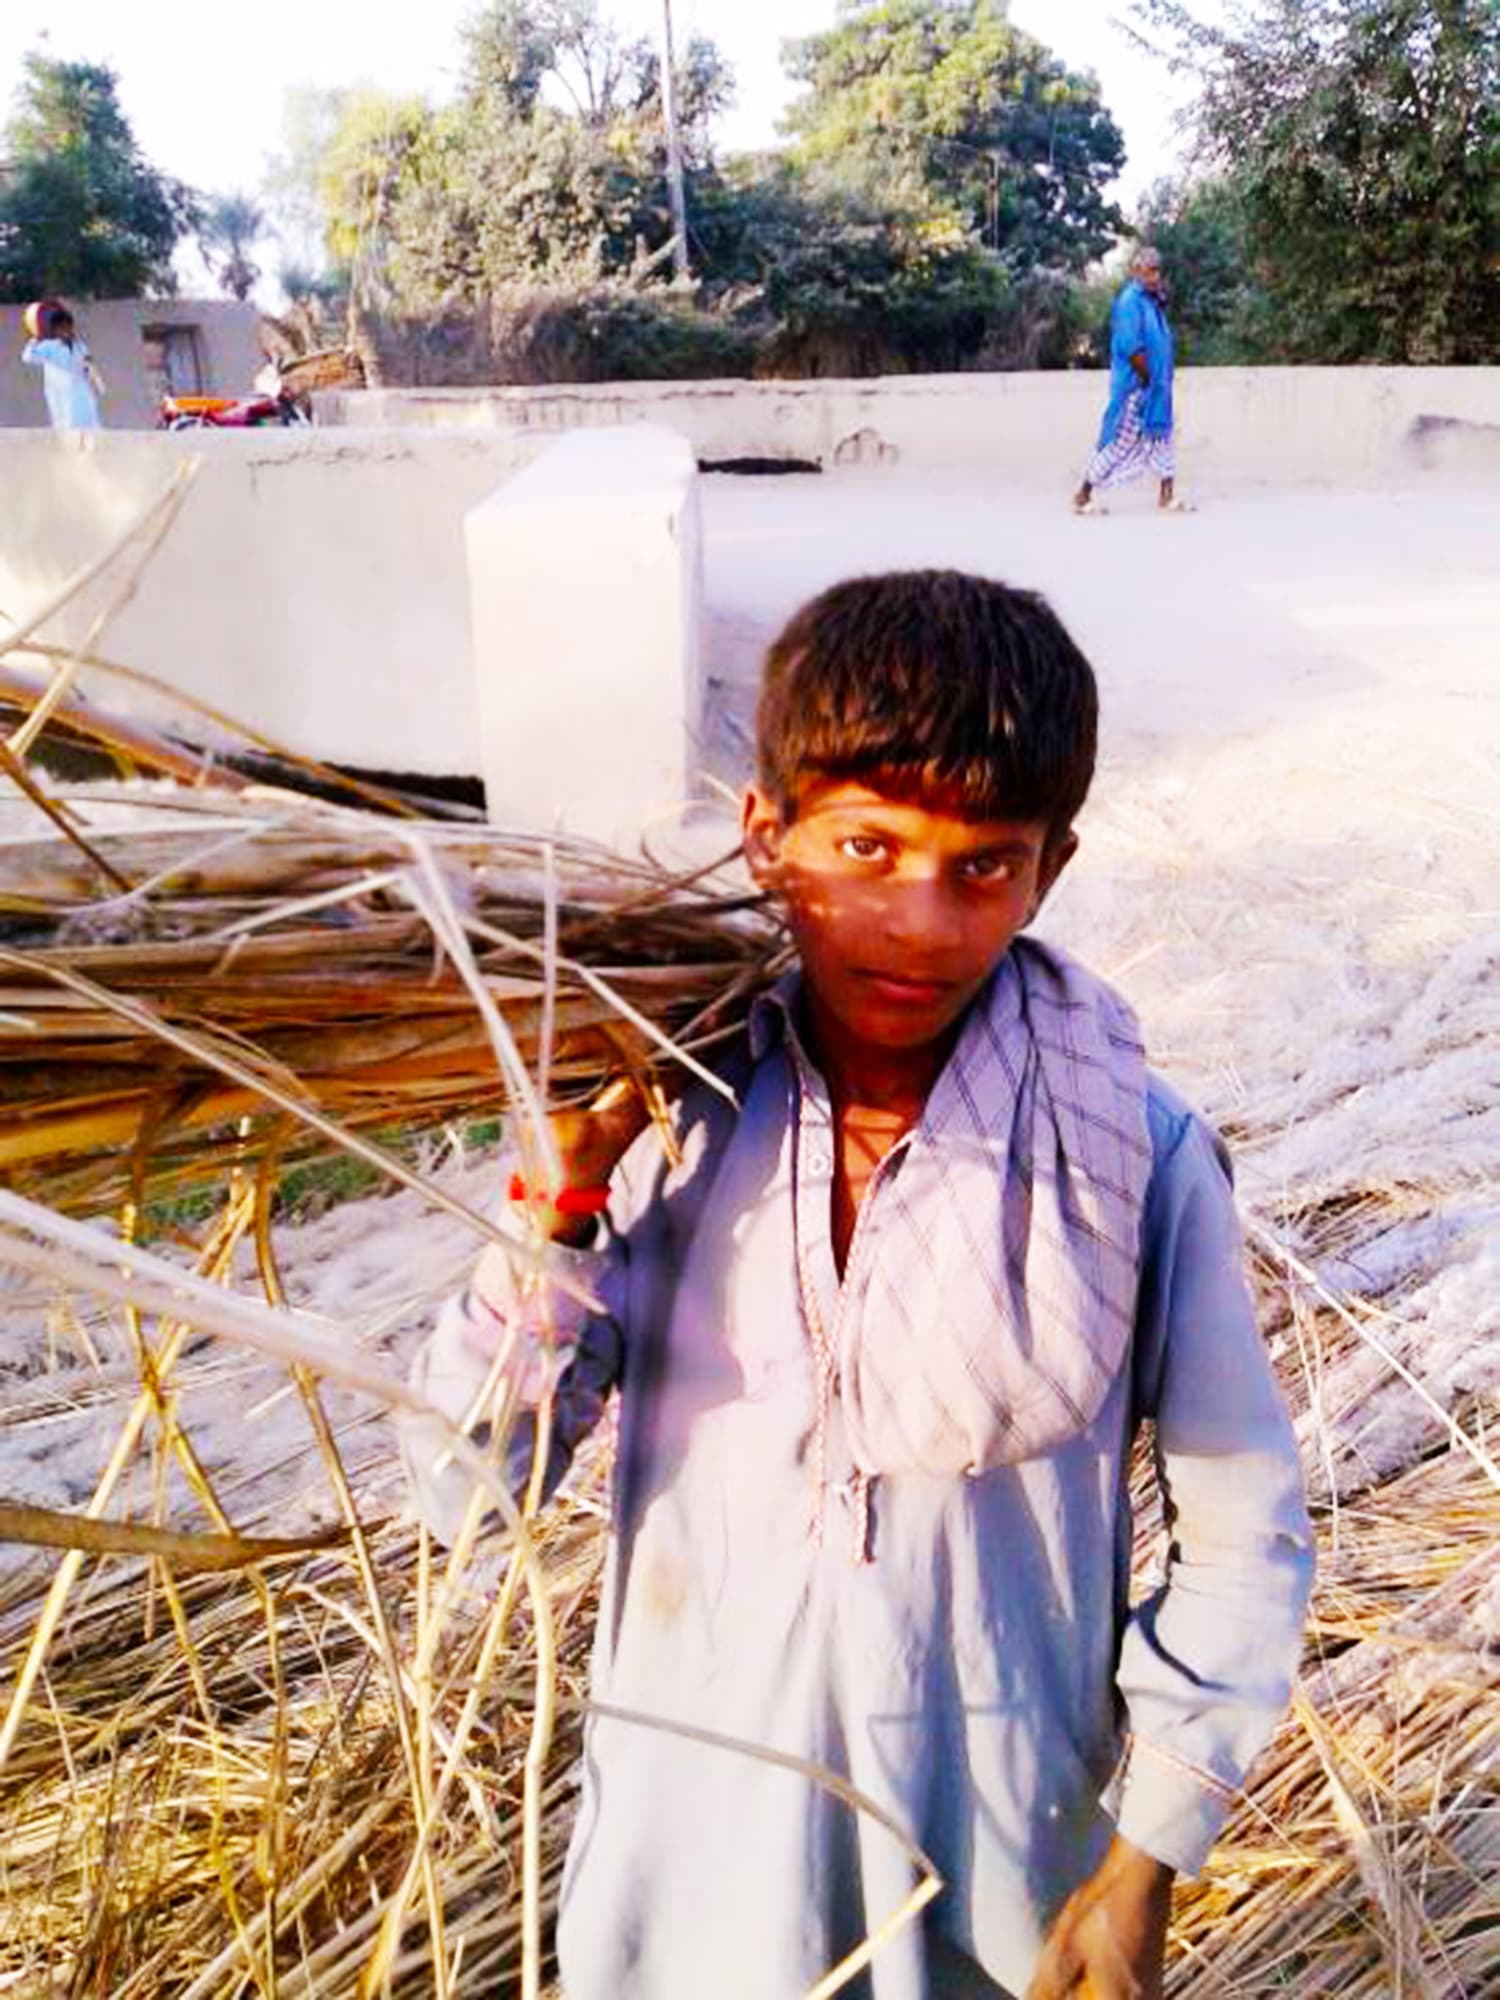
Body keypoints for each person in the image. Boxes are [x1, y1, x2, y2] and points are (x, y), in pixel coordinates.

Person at [402, 570, 1312, 2000]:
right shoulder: (667, 1115)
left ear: (1050, 869)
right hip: (687, 1873)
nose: (923, 924)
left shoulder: (1134, 1154)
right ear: (768, 837)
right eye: (866, 847)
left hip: (998, 1877)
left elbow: (1243, 1526)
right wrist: (556, 1208)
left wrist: (1147, 1860)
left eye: (982, 868)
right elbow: (471, 1484)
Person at [1074, 249, 1179, 515]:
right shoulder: (1129, 302)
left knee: (1163, 437)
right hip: (1137, 388)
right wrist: (1147, 381)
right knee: (1118, 443)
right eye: (1149, 271)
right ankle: (1084, 493)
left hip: (1157, 388)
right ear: (1136, 272)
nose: (1154, 276)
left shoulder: (1151, 301)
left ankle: (1166, 495)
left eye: (1157, 271)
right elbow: (1131, 348)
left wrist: (1159, 382)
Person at [20, 301, 104, 431]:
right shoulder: (49, 346)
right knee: (68, 428)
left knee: (91, 426)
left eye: (68, 326)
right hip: (61, 396)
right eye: (61, 328)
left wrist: (98, 382)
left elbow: (89, 364)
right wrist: (36, 338)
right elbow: (27, 357)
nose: (66, 331)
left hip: (82, 394)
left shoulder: (80, 346)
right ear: (55, 330)